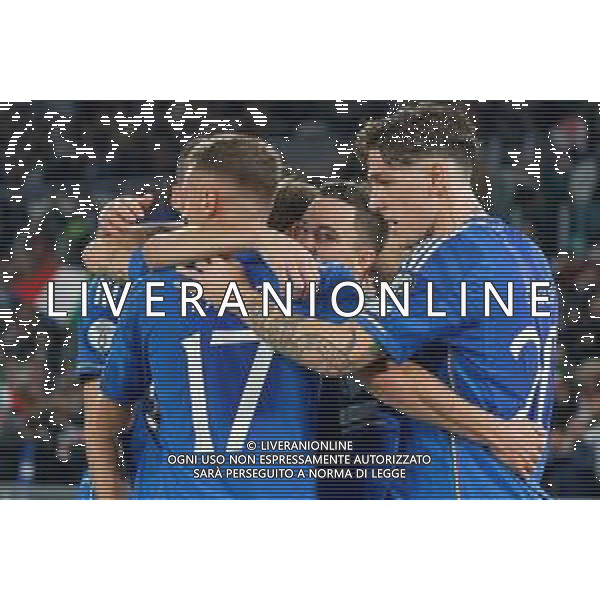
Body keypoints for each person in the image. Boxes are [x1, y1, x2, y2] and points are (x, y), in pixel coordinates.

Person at [183, 103, 559, 498]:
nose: (376, 201)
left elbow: (345, 354)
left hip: (456, 489)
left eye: (385, 182)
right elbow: (395, 367)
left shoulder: (446, 257)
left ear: (437, 177)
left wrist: (242, 297)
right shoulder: (519, 248)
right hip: (505, 485)